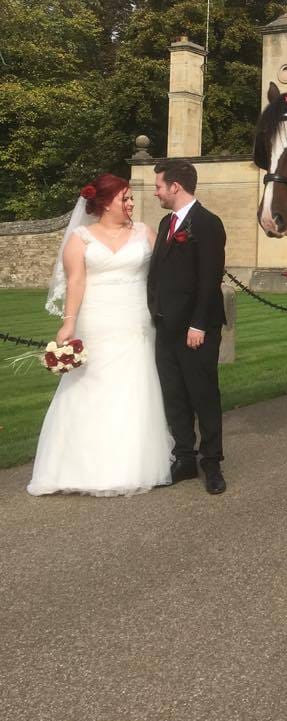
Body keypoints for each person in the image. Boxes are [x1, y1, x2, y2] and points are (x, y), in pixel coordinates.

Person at [28, 175, 173, 497]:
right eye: (126, 198)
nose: (132, 203)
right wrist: (69, 324)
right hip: (95, 322)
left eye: (131, 197)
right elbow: (76, 282)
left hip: (136, 320)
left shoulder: (145, 233)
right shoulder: (80, 239)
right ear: (106, 203)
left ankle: (132, 464)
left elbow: (166, 273)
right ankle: (77, 467)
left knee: (134, 387)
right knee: (89, 389)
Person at [147, 159, 227, 495]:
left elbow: (209, 279)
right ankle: (184, 457)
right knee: (174, 395)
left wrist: (197, 324)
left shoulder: (207, 223)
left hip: (196, 329)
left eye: (159, 186)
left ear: (175, 187)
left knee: (203, 394)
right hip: (166, 327)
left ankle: (211, 462)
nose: (156, 192)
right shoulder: (166, 222)